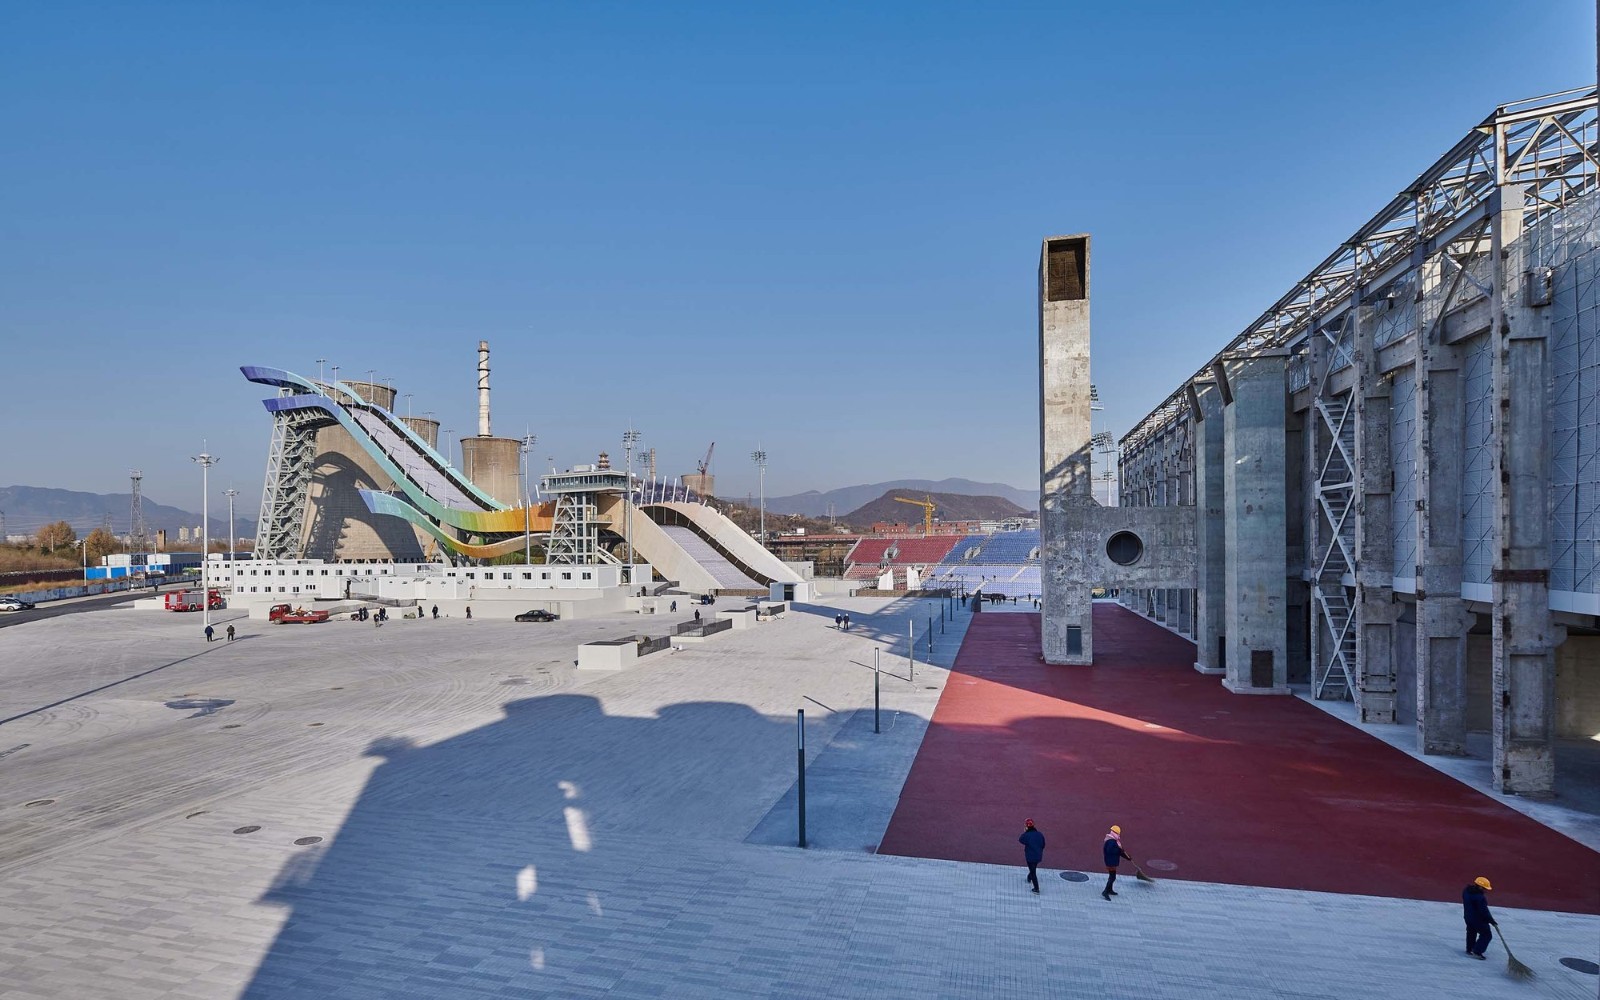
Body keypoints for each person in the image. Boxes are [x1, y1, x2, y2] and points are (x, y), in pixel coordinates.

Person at [1462, 877, 1497, 959]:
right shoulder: (1480, 897)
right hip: (1478, 919)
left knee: (1471, 932)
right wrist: (1491, 921)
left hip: (1467, 917)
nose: (1485, 890)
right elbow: (1484, 911)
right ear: (1480, 887)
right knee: (1487, 935)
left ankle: (1469, 949)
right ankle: (1477, 951)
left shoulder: (1466, 891)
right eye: (1485, 888)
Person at [1102, 824, 1131, 900]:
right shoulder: (1112, 842)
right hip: (1110, 862)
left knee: (1112, 876)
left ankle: (1110, 890)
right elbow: (1112, 851)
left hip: (1111, 861)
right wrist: (1119, 850)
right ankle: (1105, 891)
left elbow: (1120, 852)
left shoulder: (1113, 840)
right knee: (1112, 877)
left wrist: (1127, 857)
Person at [1019, 819, 1046, 894]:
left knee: (1033, 871)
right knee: (1033, 868)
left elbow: (1021, 839)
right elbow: (1043, 844)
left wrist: (1025, 832)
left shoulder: (1027, 835)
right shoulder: (1040, 834)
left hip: (1030, 856)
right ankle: (1029, 877)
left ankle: (1036, 888)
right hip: (1038, 855)